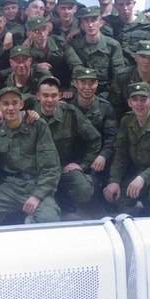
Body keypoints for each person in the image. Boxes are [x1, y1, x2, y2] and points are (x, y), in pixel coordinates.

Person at [0, 87, 61, 226]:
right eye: (5, 104)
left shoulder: (37, 125)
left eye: (14, 103)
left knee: (49, 220)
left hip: (36, 184)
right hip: (11, 186)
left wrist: (37, 196)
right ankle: (11, 220)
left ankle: (31, 220)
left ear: (21, 104)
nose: (10, 108)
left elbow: (51, 167)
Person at [103, 82, 150, 216]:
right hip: (138, 171)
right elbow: (121, 154)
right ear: (129, 103)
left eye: (143, 99)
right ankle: (144, 198)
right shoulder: (126, 121)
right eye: (135, 100)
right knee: (118, 202)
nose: (139, 104)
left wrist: (143, 178)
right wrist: (114, 181)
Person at [34, 76, 101, 210]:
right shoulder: (30, 115)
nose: (49, 100)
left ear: (60, 96)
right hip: (37, 172)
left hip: (62, 169)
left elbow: (94, 138)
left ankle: (63, 196)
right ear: (38, 96)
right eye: (45, 95)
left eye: (54, 95)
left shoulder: (70, 113)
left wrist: (82, 165)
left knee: (84, 190)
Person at [70, 67, 118, 191]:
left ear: (97, 84)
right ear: (75, 83)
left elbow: (111, 137)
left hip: (98, 159)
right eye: (83, 82)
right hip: (75, 158)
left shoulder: (105, 107)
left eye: (91, 83)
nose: (87, 87)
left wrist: (103, 155)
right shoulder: (68, 107)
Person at [67, 5, 124, 96]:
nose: (90, 25)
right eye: (86, 21)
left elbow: (118, 74)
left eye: (94, 20)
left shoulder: (113, 45)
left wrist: (113, 95)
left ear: (101, 23)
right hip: (82, 91)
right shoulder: (74, 46)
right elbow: (76, 70)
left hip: (106, 92)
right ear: (82, 25)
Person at [107, 0, 150, 65]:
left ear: (134, 3)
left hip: (137, 68)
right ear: (115, 6)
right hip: (116, 68)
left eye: (128, 4)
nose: (125, 8)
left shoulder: (146, 24)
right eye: (121, 4)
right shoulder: (110, 23)